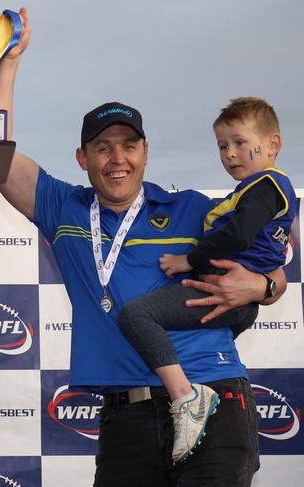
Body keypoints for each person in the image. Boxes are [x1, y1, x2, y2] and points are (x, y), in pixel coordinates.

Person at [0, 8, 286, 486]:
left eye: (129, 145)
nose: (117, 158)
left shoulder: (190, 208)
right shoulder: (63, 207)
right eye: (103, 147)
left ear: (145, 152)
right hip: (125, 414)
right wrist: (11, 59)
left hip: (215, 398)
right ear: (83, 158)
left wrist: (264, 285)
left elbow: (269, 269)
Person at [116, 96, 295, 463]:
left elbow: (239, 236)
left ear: (273, 144)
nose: (230, 154)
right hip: (237, 305)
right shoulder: (251, 190)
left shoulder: (266, 186)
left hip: (223, 289)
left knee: (136, 316)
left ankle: (187, 398)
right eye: (222, 146)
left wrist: (189, 260)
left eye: (240, 143)